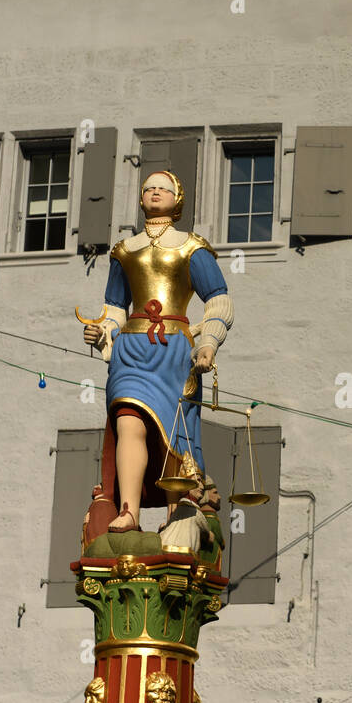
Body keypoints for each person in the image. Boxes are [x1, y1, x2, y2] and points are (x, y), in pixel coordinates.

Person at [82, 171, 233, 533]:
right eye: (148, 187)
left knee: (171, 435)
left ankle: (174, 513)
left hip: (174, 350)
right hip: (131, 350)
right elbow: (115, 307)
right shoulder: (124, 250)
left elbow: (219, 300)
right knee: (128, 421)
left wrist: (208, 343)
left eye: (162, 188)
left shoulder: (190, 247)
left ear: (176, 198)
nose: (154, 192)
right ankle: (129, 511)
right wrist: (102, 330)